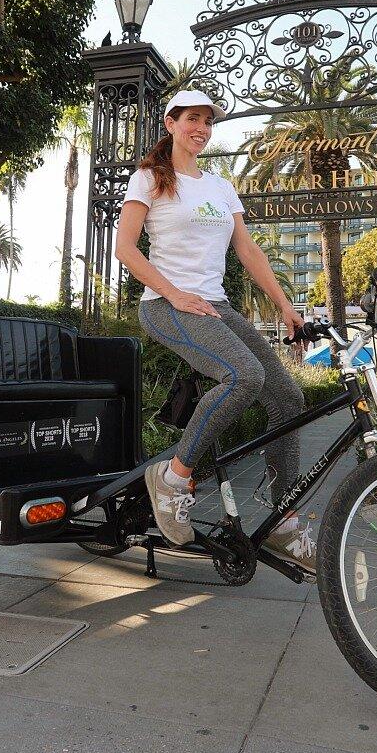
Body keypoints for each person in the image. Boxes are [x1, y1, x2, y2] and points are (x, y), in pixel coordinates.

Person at [114, 89, 315, 570]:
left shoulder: (221, 188)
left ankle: (283, 522)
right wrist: (173, 292)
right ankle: (174, 478)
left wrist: (287, 308)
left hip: (216, 307)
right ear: (171, 123)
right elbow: (125, 248)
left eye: (208, 122)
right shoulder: (149, 180)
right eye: (192, 119)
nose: (201, 129)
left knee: (288, 397)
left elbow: (248, 252)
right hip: (167, 306)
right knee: (244, 375)